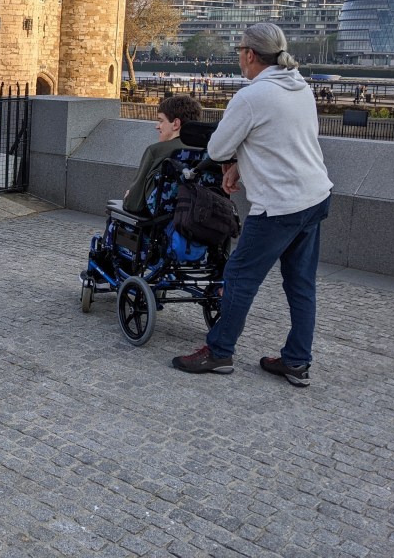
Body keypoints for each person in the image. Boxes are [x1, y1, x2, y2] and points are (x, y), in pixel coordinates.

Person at [172, 23, 333, 387]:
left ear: (249, 55)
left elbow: (216, 149)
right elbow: (276, 140)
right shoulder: (300, 86)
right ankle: (296, 361)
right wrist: (238, 164)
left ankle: (219, 352)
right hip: (316, 195)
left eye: (239, 51)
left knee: (240, 277)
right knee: (301, 284)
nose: (238, 58)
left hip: (279, 205)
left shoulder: (251, 96)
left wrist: (229, 162)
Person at [122, 94, 203, 215]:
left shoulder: (156, 151)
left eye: (161, 120)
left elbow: (134, 204)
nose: (157, 126)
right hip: (197, 219)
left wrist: (129, 197)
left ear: (175, 124)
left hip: (160, 224)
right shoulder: (205, 151)